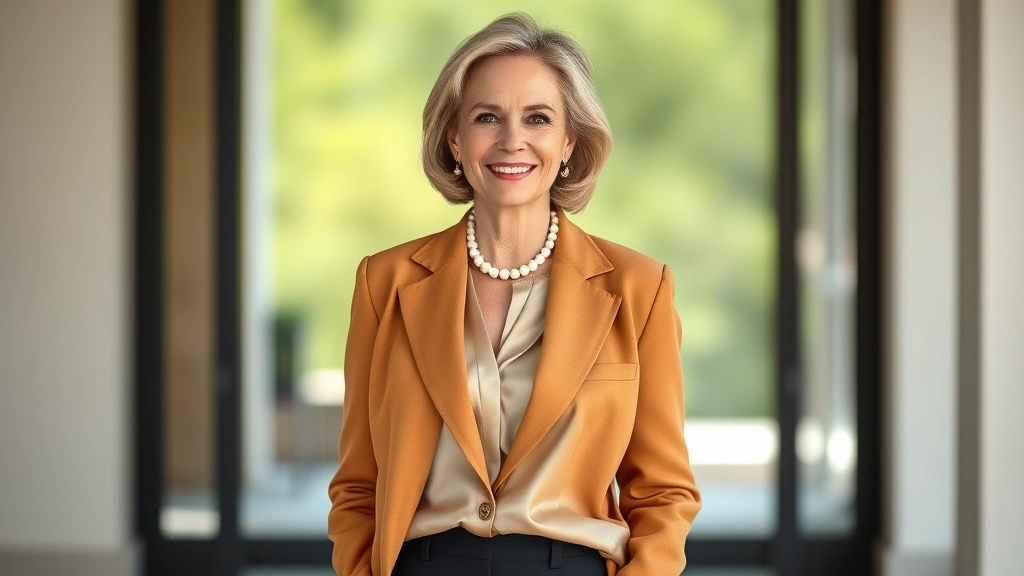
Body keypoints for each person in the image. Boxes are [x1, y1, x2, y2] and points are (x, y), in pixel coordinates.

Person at [328, 13, 701, 576]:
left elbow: (664, 493)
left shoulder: (639, 290)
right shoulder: (384, 284)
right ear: (455, 139)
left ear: (569, 142)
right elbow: (358, 484)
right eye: (487, 117)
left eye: (538, 118)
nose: (512, 140)